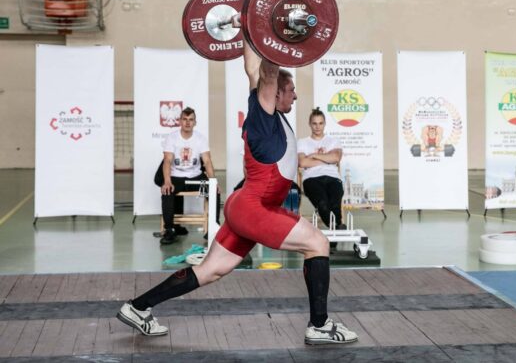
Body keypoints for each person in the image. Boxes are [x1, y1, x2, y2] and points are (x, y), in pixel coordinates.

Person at [116, 22, 358, 345]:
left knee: (210, 270)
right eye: (291, 90)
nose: (296, 95)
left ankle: (138, 307)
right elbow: (263, 71)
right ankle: (320, 325)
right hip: (254, 207)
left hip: (243, 206)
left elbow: (254, 69)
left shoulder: (267, 115)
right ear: (275, 91)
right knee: (318, 243)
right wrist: (271, 24)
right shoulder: (264, 112)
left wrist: (249, 25)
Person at [159, 107, 218, 245]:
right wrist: (167, 181)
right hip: (177, 177)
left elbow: (207, 161)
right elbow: (167, 160)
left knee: (213, 190)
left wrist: (213, 182)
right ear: (180, 121)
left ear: (194, 122)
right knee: (167, 190)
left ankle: (212, 228)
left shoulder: (200, 138)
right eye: (185, 119)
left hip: (196, 177)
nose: (187, 122)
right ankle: (170, 230)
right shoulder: (172, 138)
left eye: (190, 120)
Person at [298, 108, 345, 233]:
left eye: (320, 123)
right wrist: (326, 158)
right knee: (323, 203)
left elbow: (336, 158)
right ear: (310, 124)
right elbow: (302, 162)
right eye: (314, 123)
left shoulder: (333, 141)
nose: (317, 127)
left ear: (324, 123)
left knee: (335, 204)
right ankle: (337, 229)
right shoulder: (302, 142)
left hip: (332, 178)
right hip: (311, 179)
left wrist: (313, 155)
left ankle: (335, 230)